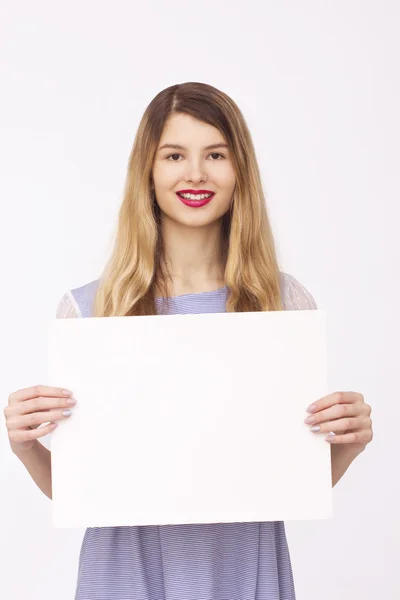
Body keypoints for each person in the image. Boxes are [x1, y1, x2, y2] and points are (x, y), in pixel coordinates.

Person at [4, 81, 373, 600]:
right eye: (174, 155)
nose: (195, 173)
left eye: (216, 155)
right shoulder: (89, 310)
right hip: (124, 581)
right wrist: (25, 447)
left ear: (239, 169)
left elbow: (282, 479)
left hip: (245, 575)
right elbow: (83, 492)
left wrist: (348, 445)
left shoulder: (284, 301)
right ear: (148, 172)